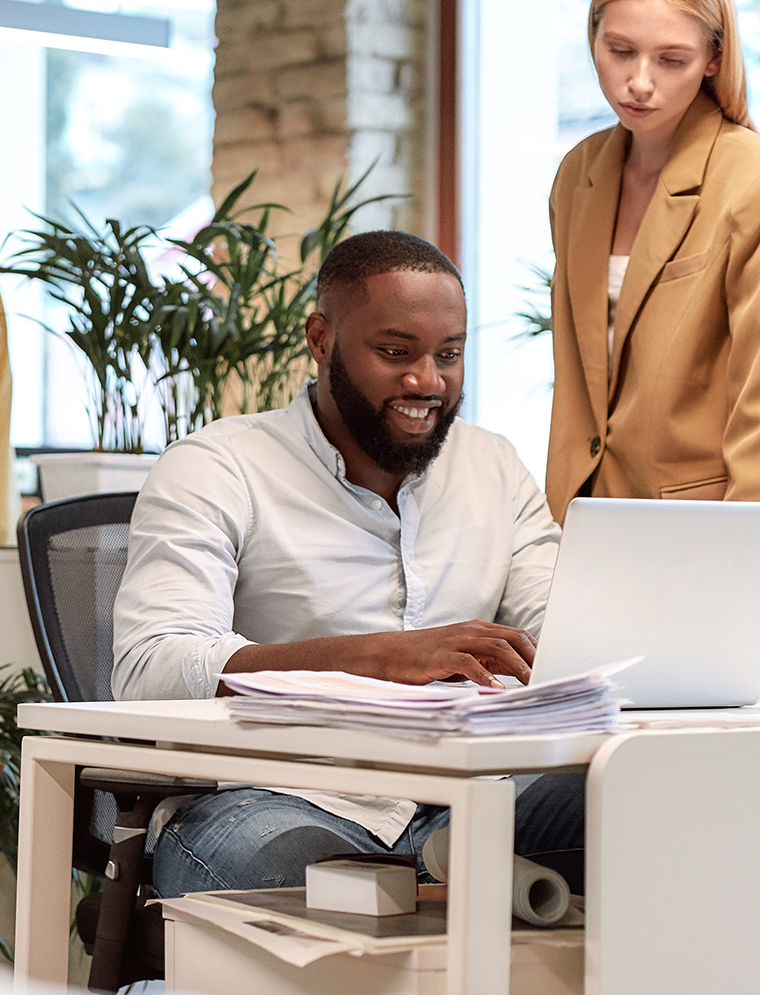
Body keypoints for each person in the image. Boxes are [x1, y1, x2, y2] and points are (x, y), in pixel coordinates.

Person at [113, 230, 583, 895]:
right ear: (321, 339)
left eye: (448, 355)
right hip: (286, 796)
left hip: (476, 790)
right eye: (396, 353)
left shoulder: (491, 464)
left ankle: (445, 887)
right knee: (273, 866)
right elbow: (150, 667)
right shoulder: (218, 466)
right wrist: (376, 659)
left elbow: (559, 630)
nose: (427, 381)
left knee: (646, 803)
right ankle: (444, 889)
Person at [545, 0, 760, 681]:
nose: (638, 82)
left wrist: (736, 574)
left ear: (712, 58)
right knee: (591, 787)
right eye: (618, 49)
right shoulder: (579, 177)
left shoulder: (757, 181)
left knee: (713, 786)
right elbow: (576, 373)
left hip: (715, 542)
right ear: (593, 36)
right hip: (596, 539)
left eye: (670, 59)